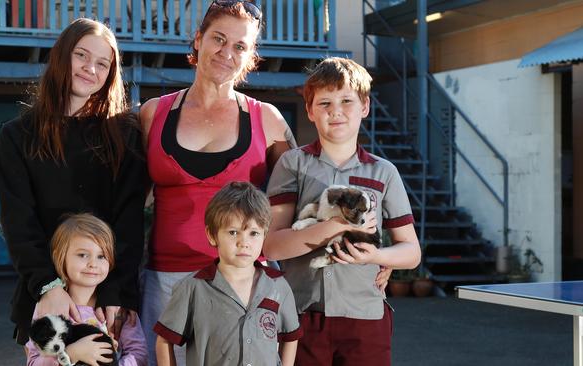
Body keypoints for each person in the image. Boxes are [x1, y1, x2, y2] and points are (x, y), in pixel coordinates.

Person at [138, 1, 296, 364]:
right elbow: (126, 200)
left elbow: (305, 191)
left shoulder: (267, 120)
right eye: (218, 39)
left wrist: (357, 247)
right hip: (166, 281)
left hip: (242, 282)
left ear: (251, 56)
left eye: (240, 46)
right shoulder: (152, 113)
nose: (227, 52)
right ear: (198, 40)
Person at [0, 18, 147, 347]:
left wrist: (115, 292)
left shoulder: (125, 136)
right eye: (81, 55)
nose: (90, 67)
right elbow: (19, 222)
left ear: (110, 74)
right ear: (61, 55)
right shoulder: (17, 137)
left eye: (102, 63)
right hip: (45, 295)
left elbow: (129, 221)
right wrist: (48, 286)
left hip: (106, 299)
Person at [264, 57, 422, 366]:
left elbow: (411, 251)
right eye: (324, 103)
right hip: (301, 315)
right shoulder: (292, 164)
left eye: (346, 100)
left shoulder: (383, 171)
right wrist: (335, 225)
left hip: (365, 316)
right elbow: (272, 245)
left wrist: (376, 257)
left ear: (364, 106)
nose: (335, 111)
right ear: (309, 111)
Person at [153, 182, 302, 366]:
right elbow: (164, 340)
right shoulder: (192, 288)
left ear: (265, 234)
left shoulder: (278, 286)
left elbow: (290, 337)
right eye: (233, 232)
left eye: (254, 233)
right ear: (212, 235)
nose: (243, 242)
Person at [26, 214, 148, 366]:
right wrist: (71, 354)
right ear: (60, 257)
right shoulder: (49, 307)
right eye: (83, 255)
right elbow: (33, 361)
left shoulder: (118, 308)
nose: (93, 263)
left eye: (101, 256)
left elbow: (139, 354)